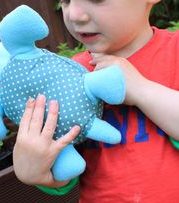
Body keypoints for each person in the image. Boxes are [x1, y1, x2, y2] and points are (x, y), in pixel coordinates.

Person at [13, 0, 179, 202]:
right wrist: (36, 171)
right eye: (65, 0)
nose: (74, 14)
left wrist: (141, 89)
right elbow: (67, 165)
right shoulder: (66, 75)